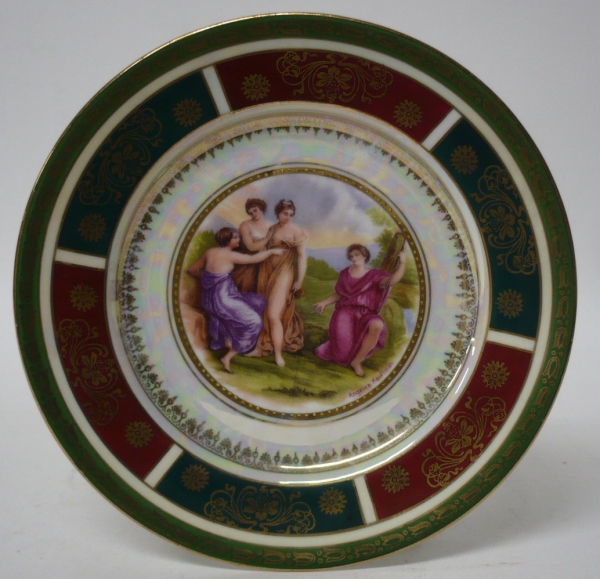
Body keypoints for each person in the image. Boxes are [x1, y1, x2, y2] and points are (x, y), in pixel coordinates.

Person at [187, 227, 285, 373]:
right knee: (255, 322)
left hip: (211, 299)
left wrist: (210, 278)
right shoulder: (230, 255)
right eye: (235, 237)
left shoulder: (210, 252)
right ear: (228, 240)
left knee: (259, 302)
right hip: (223, 301)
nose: (239, 239)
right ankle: (230, 355)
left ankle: (230, 338)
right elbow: (253, 259)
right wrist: (271, 252)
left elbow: (193, 269)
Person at [313, 243, 406, 377]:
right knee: (342, 355)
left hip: (366, 313)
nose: (353, 258)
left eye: (356, 255)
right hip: (345, 313)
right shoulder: (345, 274)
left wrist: (402, 263)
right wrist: (324, 303)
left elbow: (392, 281)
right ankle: (338, 350)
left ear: (364, 256)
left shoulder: (374, 275)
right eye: (351, 256)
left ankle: (356, 362)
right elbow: (340, 294)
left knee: (377, 325)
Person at [255, 199, 307, 367]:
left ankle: (278, 354)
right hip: (266, 272)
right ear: (278, 213)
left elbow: (301, 257)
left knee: (273, 314)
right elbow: (263, 249)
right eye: (285, 213)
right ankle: (264, 346)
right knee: (263, 311)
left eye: (291, 214)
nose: (288, 217)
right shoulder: (272, 229)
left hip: (284, 272)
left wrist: (300, 280)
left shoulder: (297, 231)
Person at [233, 198, 273, 293]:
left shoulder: (270, 225)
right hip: (250, 259)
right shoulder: (245, 225)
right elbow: (250, 247)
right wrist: (266, 239)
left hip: (266, 257)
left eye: (255, 210)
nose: (253, 214)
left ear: (261, 209)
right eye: (250, 213)